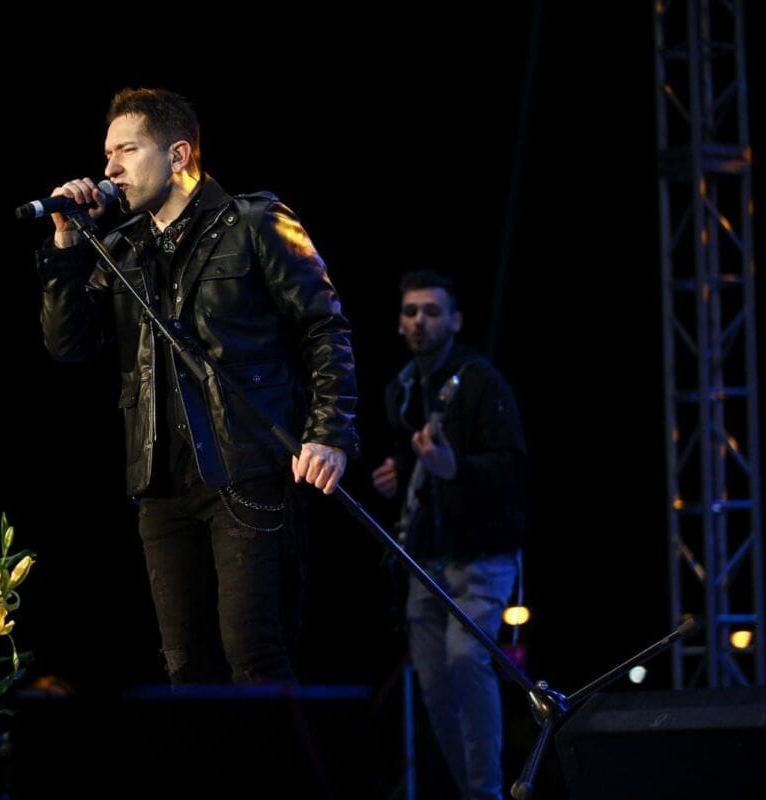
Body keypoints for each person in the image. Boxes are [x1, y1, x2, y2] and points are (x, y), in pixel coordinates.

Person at [34, 87, 359, 684]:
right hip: (161, 480)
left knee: (252, 653)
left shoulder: (256, 221)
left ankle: (285, 751)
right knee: (184, 665)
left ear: (178, 154)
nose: (110, 169)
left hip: (246, 465)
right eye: (107, 154)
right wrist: (66, 246)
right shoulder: (121, 249)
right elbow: (69, 346)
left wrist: (329, 433)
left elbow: (324, 327)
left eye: (126, 150)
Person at [370, 270, 525, 800]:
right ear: (399, 322)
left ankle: (486, 792)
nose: (420, 321)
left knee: (465, 659)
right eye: (411, 311)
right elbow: (412, 458)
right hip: (426, 559)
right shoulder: (401, 389)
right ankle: (471, 790)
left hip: (481, 555)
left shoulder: (481, 383)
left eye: (432, 311)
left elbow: (512, 466)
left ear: (455, 321)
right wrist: (397, 472)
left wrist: (455, 468)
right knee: (434, 683)